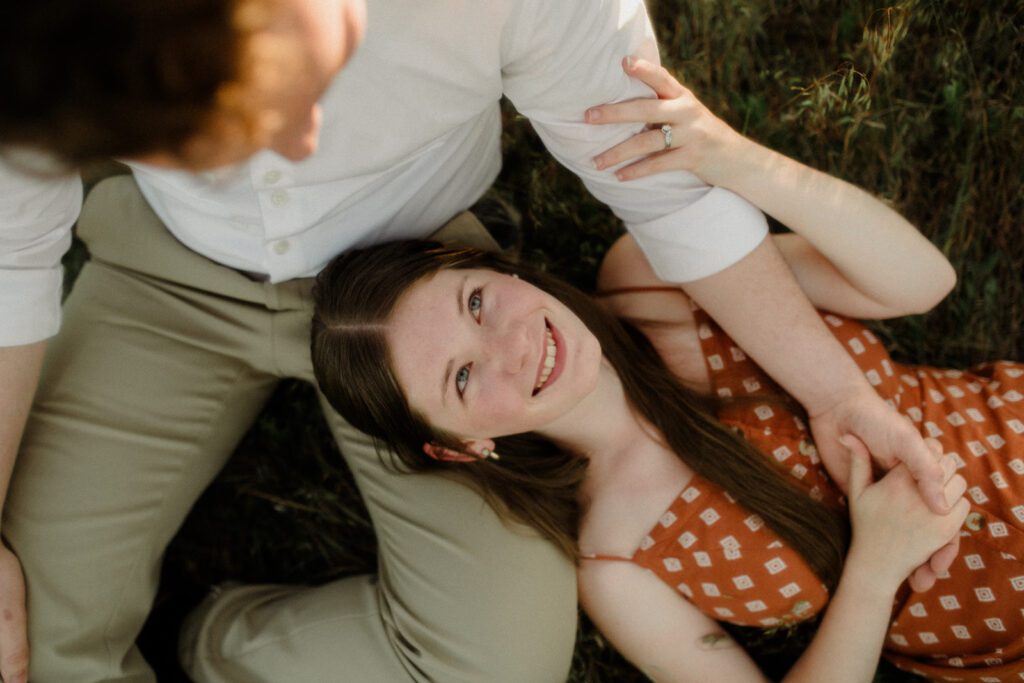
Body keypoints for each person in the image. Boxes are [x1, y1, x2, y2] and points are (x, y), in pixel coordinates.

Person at [0, 2, 949, 682]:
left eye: (308, 90)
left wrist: (836, 394)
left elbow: (663, 186)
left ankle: (216, 639)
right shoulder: (39, 44)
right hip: (169, 275)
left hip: (421, 273)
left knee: (498, 664)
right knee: (20, 636)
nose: (294, 151)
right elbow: (8, 263)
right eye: (219, 138)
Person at [310, 61, 1024, 682]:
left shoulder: (654, 282)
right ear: (461, 447)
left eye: (476, 302)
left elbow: (921, 281)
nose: (511, 346)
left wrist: (733, 159)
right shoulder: (617, 562)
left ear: (499, 268)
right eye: (462, 378)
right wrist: (875, 570)